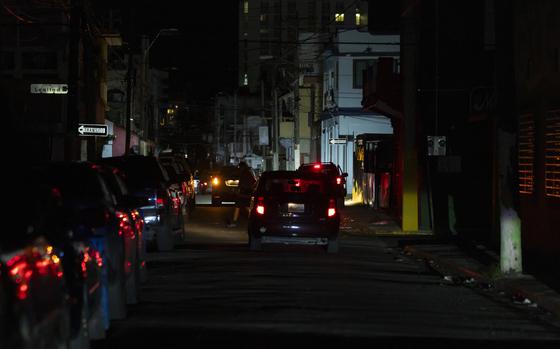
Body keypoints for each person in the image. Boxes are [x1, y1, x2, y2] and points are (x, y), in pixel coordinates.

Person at [227, 161, 256, 228]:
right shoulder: (248, 173)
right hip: (247, 192)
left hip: (244, 193)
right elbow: (253, 183)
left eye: (240, 167)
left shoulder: (244, 173)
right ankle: (253, 220)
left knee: (239, 206)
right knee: (245, 206)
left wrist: (238, 190)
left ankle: (235, 222)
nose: (239, 168)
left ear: (242, 167)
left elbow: (241, 184)